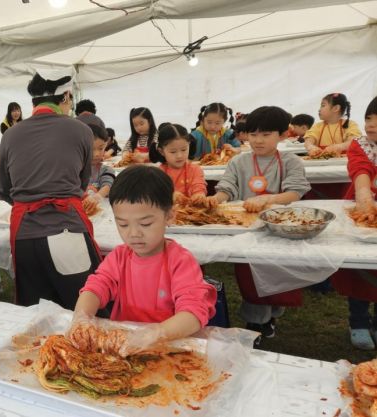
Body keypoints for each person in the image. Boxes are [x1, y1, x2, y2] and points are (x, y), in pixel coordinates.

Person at [70, 165, 217, 354]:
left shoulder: (180, 262)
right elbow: (96, 287)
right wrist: (81, 317)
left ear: (169, 216)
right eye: (123, 224)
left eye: (145, 223)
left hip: (169, 349)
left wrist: (157, 334)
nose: (134, 234)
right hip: (123, 347)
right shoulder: (119, 257)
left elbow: (194, 313)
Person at [0, 72, 102, 310]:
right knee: (84, 309)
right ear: (66, 96)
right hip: (66, 227)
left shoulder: (10, 135)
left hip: (25, 233)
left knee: (35, 312)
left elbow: (4, 189)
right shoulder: (81, 130)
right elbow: (81, 183)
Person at [209, 106, 311, 343]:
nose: (258, 140)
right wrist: (217, 199)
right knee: (250, 277)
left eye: (266, 135)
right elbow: (228, 187)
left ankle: (272, 312)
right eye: (253, 134)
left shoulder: (290, 161)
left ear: (282, 135)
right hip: (246, 229)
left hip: (279, 229)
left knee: (276, 273)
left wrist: (269, 199)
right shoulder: (240, 162)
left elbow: (295, 192)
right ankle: (255, 322)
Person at [332, 96, 377, 349]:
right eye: (369, 118)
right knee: (360, 268)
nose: (371, 125)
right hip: (361, 210)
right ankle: (358, 321)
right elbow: (361, 169)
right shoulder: (361, 144)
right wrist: (363, 194)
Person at [156, 124, 212, 204]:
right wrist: (168, 195)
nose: (179, 156)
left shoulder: (195, 169)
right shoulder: (159, 173)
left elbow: (198, 185)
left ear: (189, 145)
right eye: (173, 152)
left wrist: (199, 195)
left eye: (183, 150)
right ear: (162, 152)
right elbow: (155, 194)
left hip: (191, 212)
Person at [82, 124, 115, 215]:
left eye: (101, 148)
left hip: (100, 211)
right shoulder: (75, 169)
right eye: (92, 149)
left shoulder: (105, 170)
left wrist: (97, 197)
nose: (97, 154)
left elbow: (108, 185)